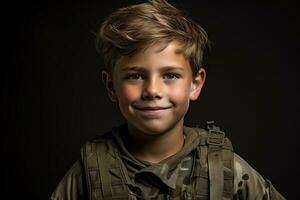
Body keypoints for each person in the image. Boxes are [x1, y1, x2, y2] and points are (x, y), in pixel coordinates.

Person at [50, 0, 285, 199]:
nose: (152, 90)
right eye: (135, 76)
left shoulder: (223, 169)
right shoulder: (90, 172)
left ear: (195, 84)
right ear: (111, 86)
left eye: (170, 75)